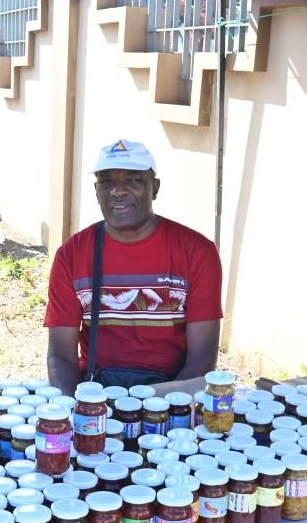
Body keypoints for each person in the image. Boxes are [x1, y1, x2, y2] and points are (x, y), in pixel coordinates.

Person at [44, 139, 223, 396]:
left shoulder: (197, 251)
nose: (118, 191)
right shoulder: (72, 254)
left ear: (155, 188)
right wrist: (76, 408)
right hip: (97, 393)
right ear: (96, 191)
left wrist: (161, 406)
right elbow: (60, 356)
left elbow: (202, 359)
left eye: (133, 181)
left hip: (171, 393)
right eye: (107, 182)